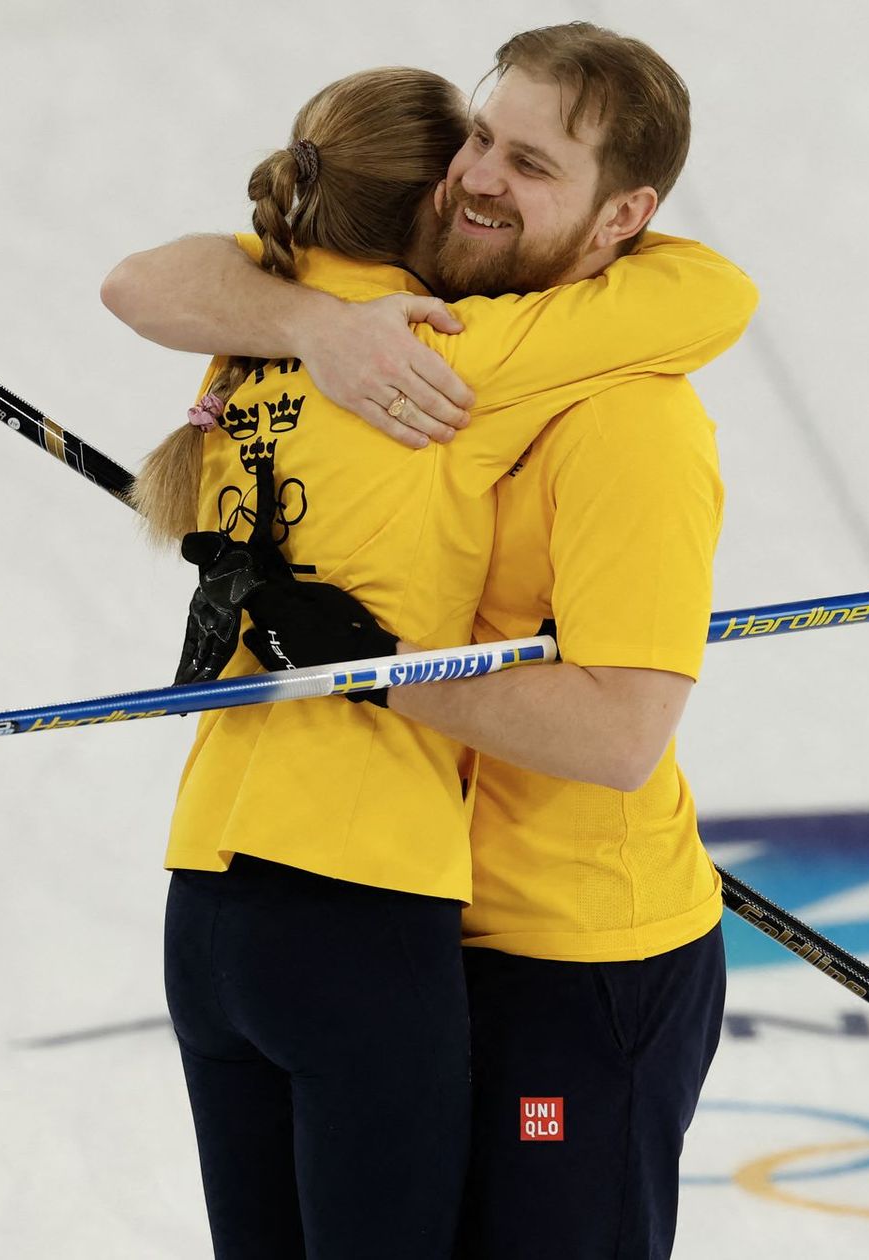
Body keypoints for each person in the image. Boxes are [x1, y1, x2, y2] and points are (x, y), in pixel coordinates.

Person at [101, 61, 756, 1259]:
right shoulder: (380, 340)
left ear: (626, 218)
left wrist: (383, 665)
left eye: (531, 163)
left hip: (574, 955)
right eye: (479, 143)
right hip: (430, 930)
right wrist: (319, 328)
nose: (479, 182)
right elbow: (152, 281)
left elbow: (621, 736)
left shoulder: (615, 412)